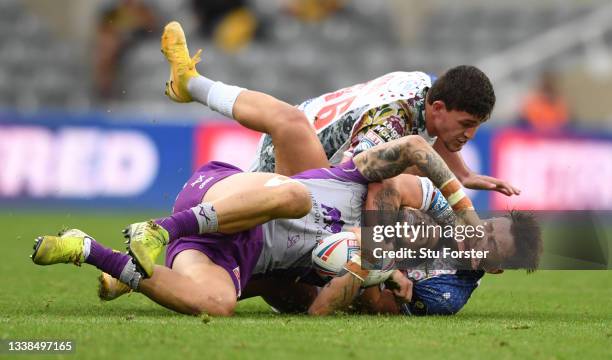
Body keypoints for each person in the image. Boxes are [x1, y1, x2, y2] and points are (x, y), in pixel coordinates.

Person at [156, 21, 518, 196]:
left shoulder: (426, 86)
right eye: (466, 124)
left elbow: (439, 134)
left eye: (476, 127)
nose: (469, 135)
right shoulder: (392, 121)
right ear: (438, 107)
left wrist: (463, 174)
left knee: (220, 221)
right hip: (300, 162)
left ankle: (191, 84)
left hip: (305, 125)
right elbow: (356, 175)